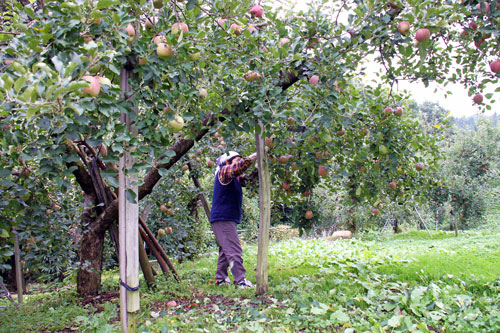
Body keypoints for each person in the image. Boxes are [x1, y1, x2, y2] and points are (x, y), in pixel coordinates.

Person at [210, 150, 257, 288]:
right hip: (223, 218)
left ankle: (221, 279)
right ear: (228, 162)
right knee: (234, 249)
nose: (241, 162)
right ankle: (240, 280)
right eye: (237, 160)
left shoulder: (235, 178)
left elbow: (249, 179)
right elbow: (240, 167)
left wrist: (258, 169)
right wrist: (256, 155)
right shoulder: (223, 172)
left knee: (226, 250)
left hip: (226, 217)